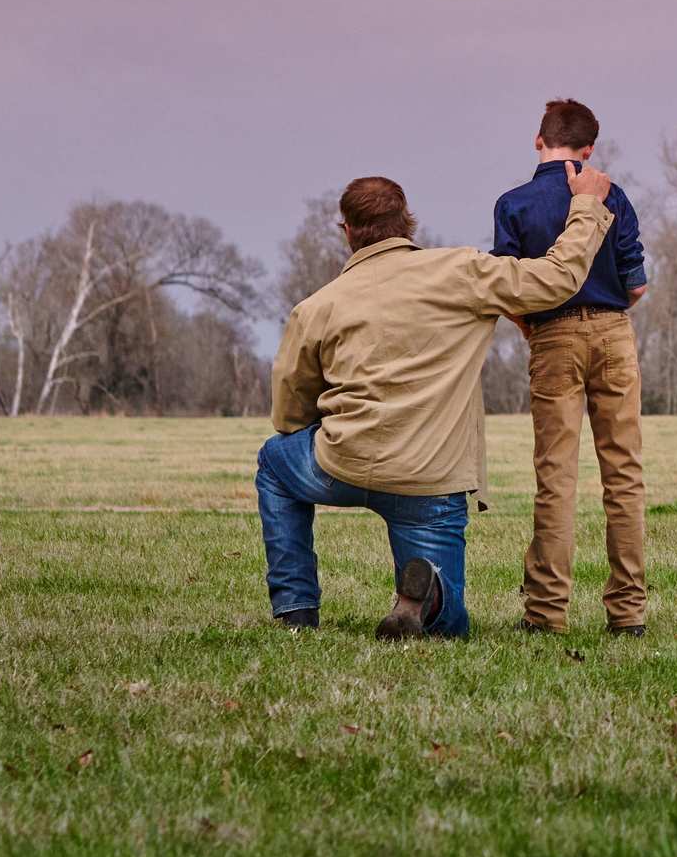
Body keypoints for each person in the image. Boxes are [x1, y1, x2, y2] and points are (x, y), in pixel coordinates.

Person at [258, 165, 614, 638]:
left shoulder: (318, 306)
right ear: (409, 221)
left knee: (274, 463)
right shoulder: (462, 272)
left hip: (338, 463)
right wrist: (586, 205)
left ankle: (296, 609)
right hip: (430, 479)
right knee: (448, 627)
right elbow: (555, 278)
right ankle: (426, 601)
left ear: (346, 232)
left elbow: (289, 412)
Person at [493, 98, 652, 636]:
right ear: (589, 150)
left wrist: (533, 326)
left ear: (538, 140)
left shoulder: (512, 205)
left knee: (556, 479)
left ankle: (545, 613)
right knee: (624, 476)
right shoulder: (616, 197)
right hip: (614, 334)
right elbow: (637, 285)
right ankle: (628, 613)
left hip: (551, 335)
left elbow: (507, 286)